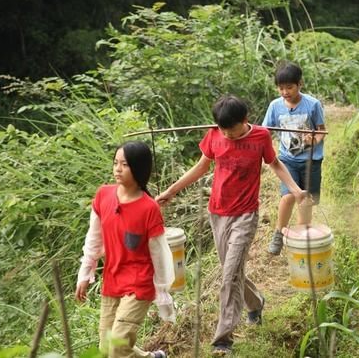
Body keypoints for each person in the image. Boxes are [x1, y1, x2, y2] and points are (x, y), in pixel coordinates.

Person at [156, 95, 306, 356]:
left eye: (231, 130)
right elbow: (201, 167)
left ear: (245, 121)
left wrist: (294, 189)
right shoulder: (215, 135)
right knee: (232, 271)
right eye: (223, 130)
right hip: (217, 212)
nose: (227, 135)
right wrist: (171, 190)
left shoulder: (260, 137)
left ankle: (222, 339)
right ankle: (256, 303)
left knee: (228, 276)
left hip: (246, 214)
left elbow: (275, 164)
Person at [75, 141, 174, 358]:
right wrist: (85, 273)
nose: (117, 169)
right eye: (115, 163)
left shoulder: (149, 208)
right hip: (113, 279)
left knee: (118, 347)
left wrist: (163, 293)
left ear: (139, 168)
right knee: (106, 346)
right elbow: (93, 238)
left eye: (125, 165)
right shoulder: (103, 195)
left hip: (139, 283)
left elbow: (159, 253)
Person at [262, 61, 326, 255]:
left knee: (306, 199)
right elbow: (266, 131)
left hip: (310, 160)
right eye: (281, 88)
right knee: (289, 195)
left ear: (300, 84)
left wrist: (313, 140)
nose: (285, 92)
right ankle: (279, 234)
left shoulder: (312, 104)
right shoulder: (275, 106)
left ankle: (299, 237)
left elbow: (322, 131)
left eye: (289, 87)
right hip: (287, 159)